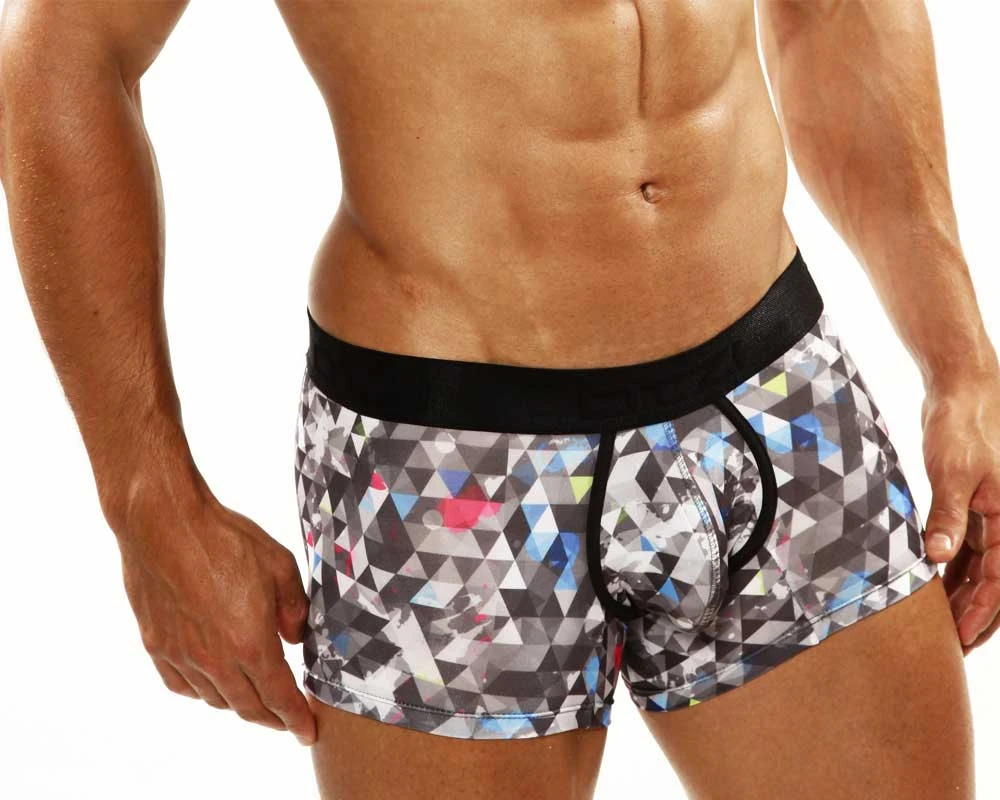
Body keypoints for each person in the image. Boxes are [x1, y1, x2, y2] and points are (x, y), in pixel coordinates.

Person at [1, 1, 996, 798]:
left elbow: (832, 12)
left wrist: (961, 363)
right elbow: (68, 47)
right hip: (450, 463)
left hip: (775, 395)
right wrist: (148, 499)